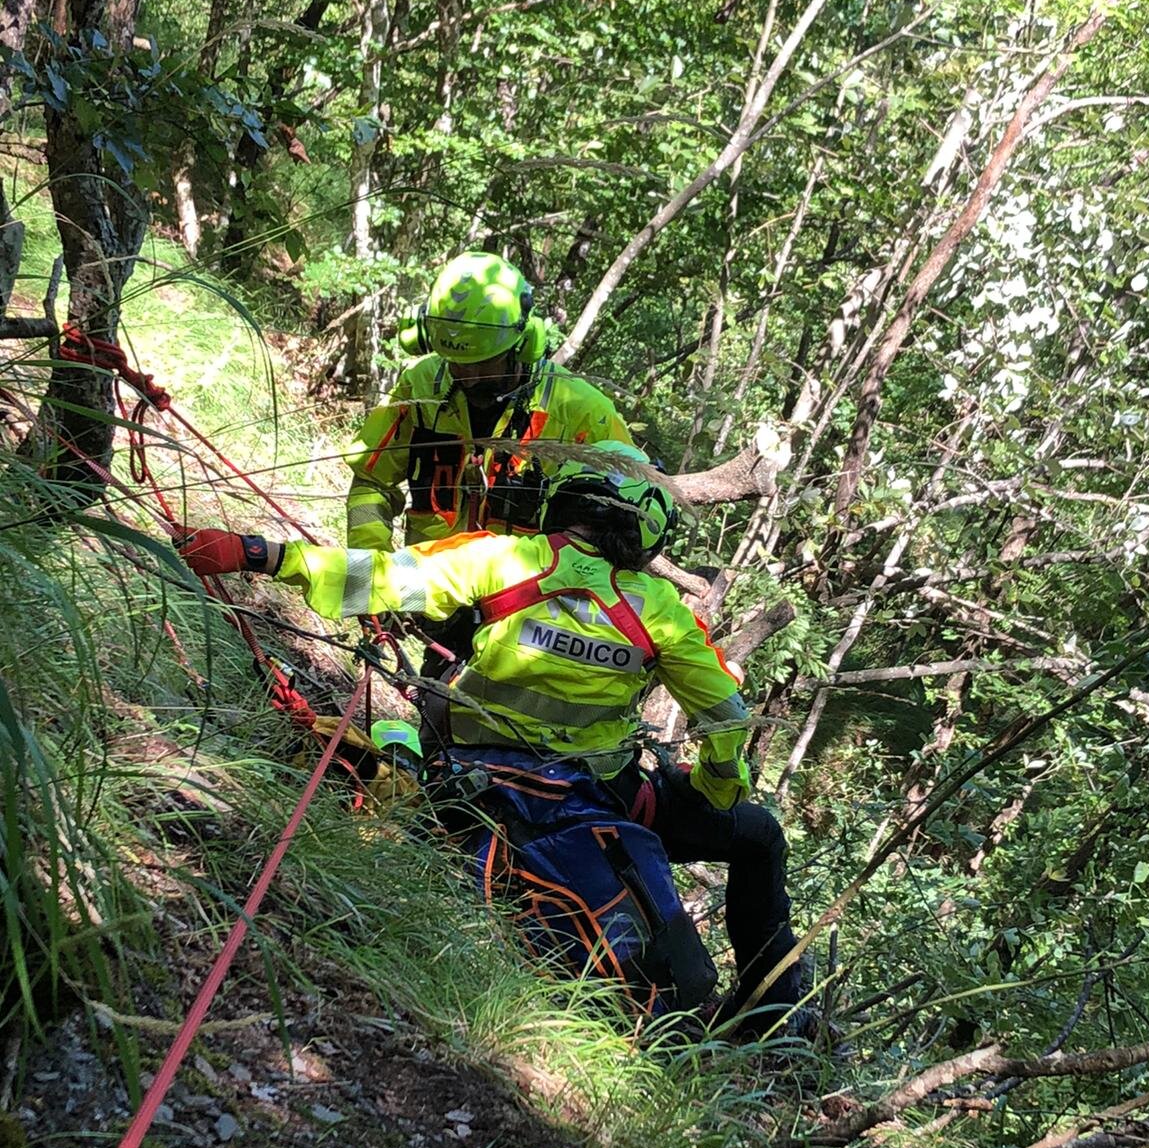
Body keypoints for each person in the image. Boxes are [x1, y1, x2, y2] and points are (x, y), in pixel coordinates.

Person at [177, 444, 814, 1038]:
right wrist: (717, 788)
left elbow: (378, 578)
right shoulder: (662, 611)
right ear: (648, 528)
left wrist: (255, 553)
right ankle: (775, 1018)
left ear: (565, 496)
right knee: (757, 836)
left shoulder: (502, 558)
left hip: (471, 786)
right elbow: (727, 717)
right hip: (605, 796)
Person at [344, 251, 634, 552]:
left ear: (523, 345)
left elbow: (629, 518)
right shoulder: (420, 387)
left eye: (483, 365)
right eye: (456, 363)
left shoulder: (581, 413)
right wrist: (373, 561)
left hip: (525, 595)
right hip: (424, 587)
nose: (468, 379)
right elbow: (371, 482)